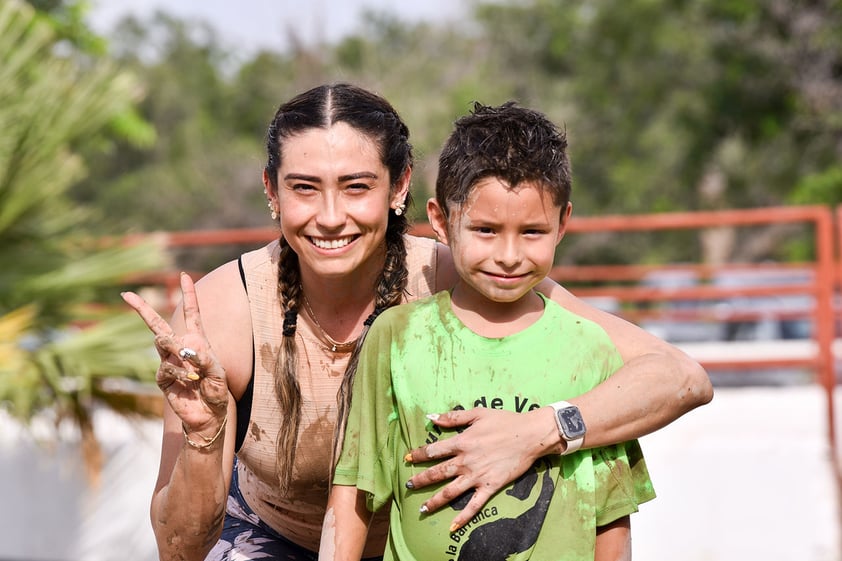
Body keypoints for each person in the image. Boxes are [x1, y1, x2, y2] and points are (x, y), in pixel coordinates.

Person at [121, 83, 712, 561]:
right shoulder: (228, 306)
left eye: (357, 188)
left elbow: (678, 376)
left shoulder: (466, 275)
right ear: (271, 191)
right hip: (271, 540)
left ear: (400, 187)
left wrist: (537, 432)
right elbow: (179, 549)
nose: (331, 218)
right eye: (305, 189)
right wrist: (206, 434)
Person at [321, 101, 656, 561]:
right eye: (485, 229)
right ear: (441, 222)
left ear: (563, 224)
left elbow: (610, 515)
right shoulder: (395, 336)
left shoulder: (590, 350)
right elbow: (354, 492)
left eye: (533, 232)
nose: (509, 255)